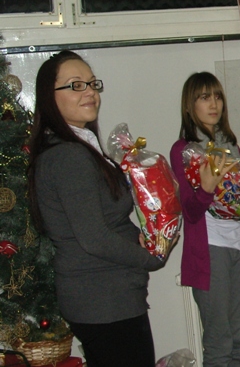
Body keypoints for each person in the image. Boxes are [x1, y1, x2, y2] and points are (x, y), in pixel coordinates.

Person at [27, 51, 165, 367]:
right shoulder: (69, 157)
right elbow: (94, 238)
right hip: (103, 299)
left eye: (92, 83)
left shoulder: (78, 145)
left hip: (107, 297)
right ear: (49, 96)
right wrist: (150, 258)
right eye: (76, 85)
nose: (90, 92)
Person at [170, 72, 240, 367]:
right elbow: (189, 212)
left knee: (238, 342)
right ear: (189, 105)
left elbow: (238, 200)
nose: (213, 104)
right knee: (219, 344)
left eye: (217, 97)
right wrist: (206, 187)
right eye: (204, 97)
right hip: (209, 249)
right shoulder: (183, 150)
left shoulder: (231, 146)